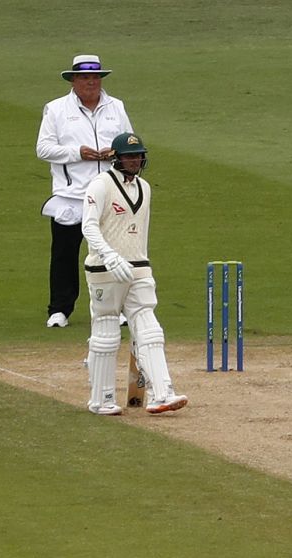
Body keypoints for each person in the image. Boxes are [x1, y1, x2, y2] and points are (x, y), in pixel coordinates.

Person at [79, 132, 187, 415]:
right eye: (129, 156)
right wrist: (109, 255)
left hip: (138, 267)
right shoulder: (100, 185)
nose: (135, 160)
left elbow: (142, 230)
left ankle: (162, 393)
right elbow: (88, 226)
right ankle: (101, 400)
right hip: (104, 269)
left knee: (150, 330)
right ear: (116, 158)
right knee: (106, 332)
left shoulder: (146, 187)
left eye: (138, 155)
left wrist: (143, 262)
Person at [36, 54, 134, 328]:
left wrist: (115, 152)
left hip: (110, 193)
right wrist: (77, 153)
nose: (91, 82)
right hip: (71, 196)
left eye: (95, 77)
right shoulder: (55, 109)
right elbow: (43, 149)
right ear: (73, 81)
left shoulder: (116, 107)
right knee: (64, 255)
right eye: (84, 78)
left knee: (114, 252)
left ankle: (118, 308)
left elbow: (131, 142)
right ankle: (59, 310)